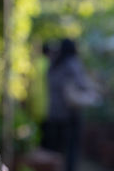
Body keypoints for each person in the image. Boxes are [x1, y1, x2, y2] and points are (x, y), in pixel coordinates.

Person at [42, 38, 98, 171]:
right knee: (71, 150)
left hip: (53, 113)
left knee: (55, 150)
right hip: (70, 114)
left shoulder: (54, 64)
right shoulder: (72, 63)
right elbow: (82, 84)